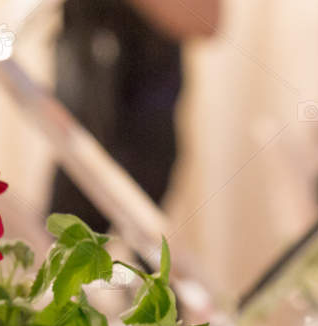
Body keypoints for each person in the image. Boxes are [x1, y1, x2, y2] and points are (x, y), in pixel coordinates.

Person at [49, 0, 219, 231]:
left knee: (145, 245)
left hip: (143, 142)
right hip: (77, 140)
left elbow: (207, 20)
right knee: (59, 240)